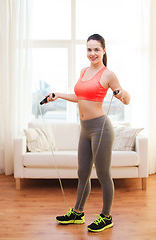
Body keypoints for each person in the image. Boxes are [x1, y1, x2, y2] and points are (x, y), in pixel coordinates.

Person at [46, 34, 130, 232]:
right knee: (82, 173)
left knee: (103, 174)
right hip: (85, 130)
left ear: (103, 51)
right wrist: (58, 95)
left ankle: (106, 216)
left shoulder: (108, 74)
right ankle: (77, 213)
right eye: (89, 49)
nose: (92, 53)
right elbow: (80, 96)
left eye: (96, 49)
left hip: (101, 128)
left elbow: (127, 100)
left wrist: (121, 94)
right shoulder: (84, 71)